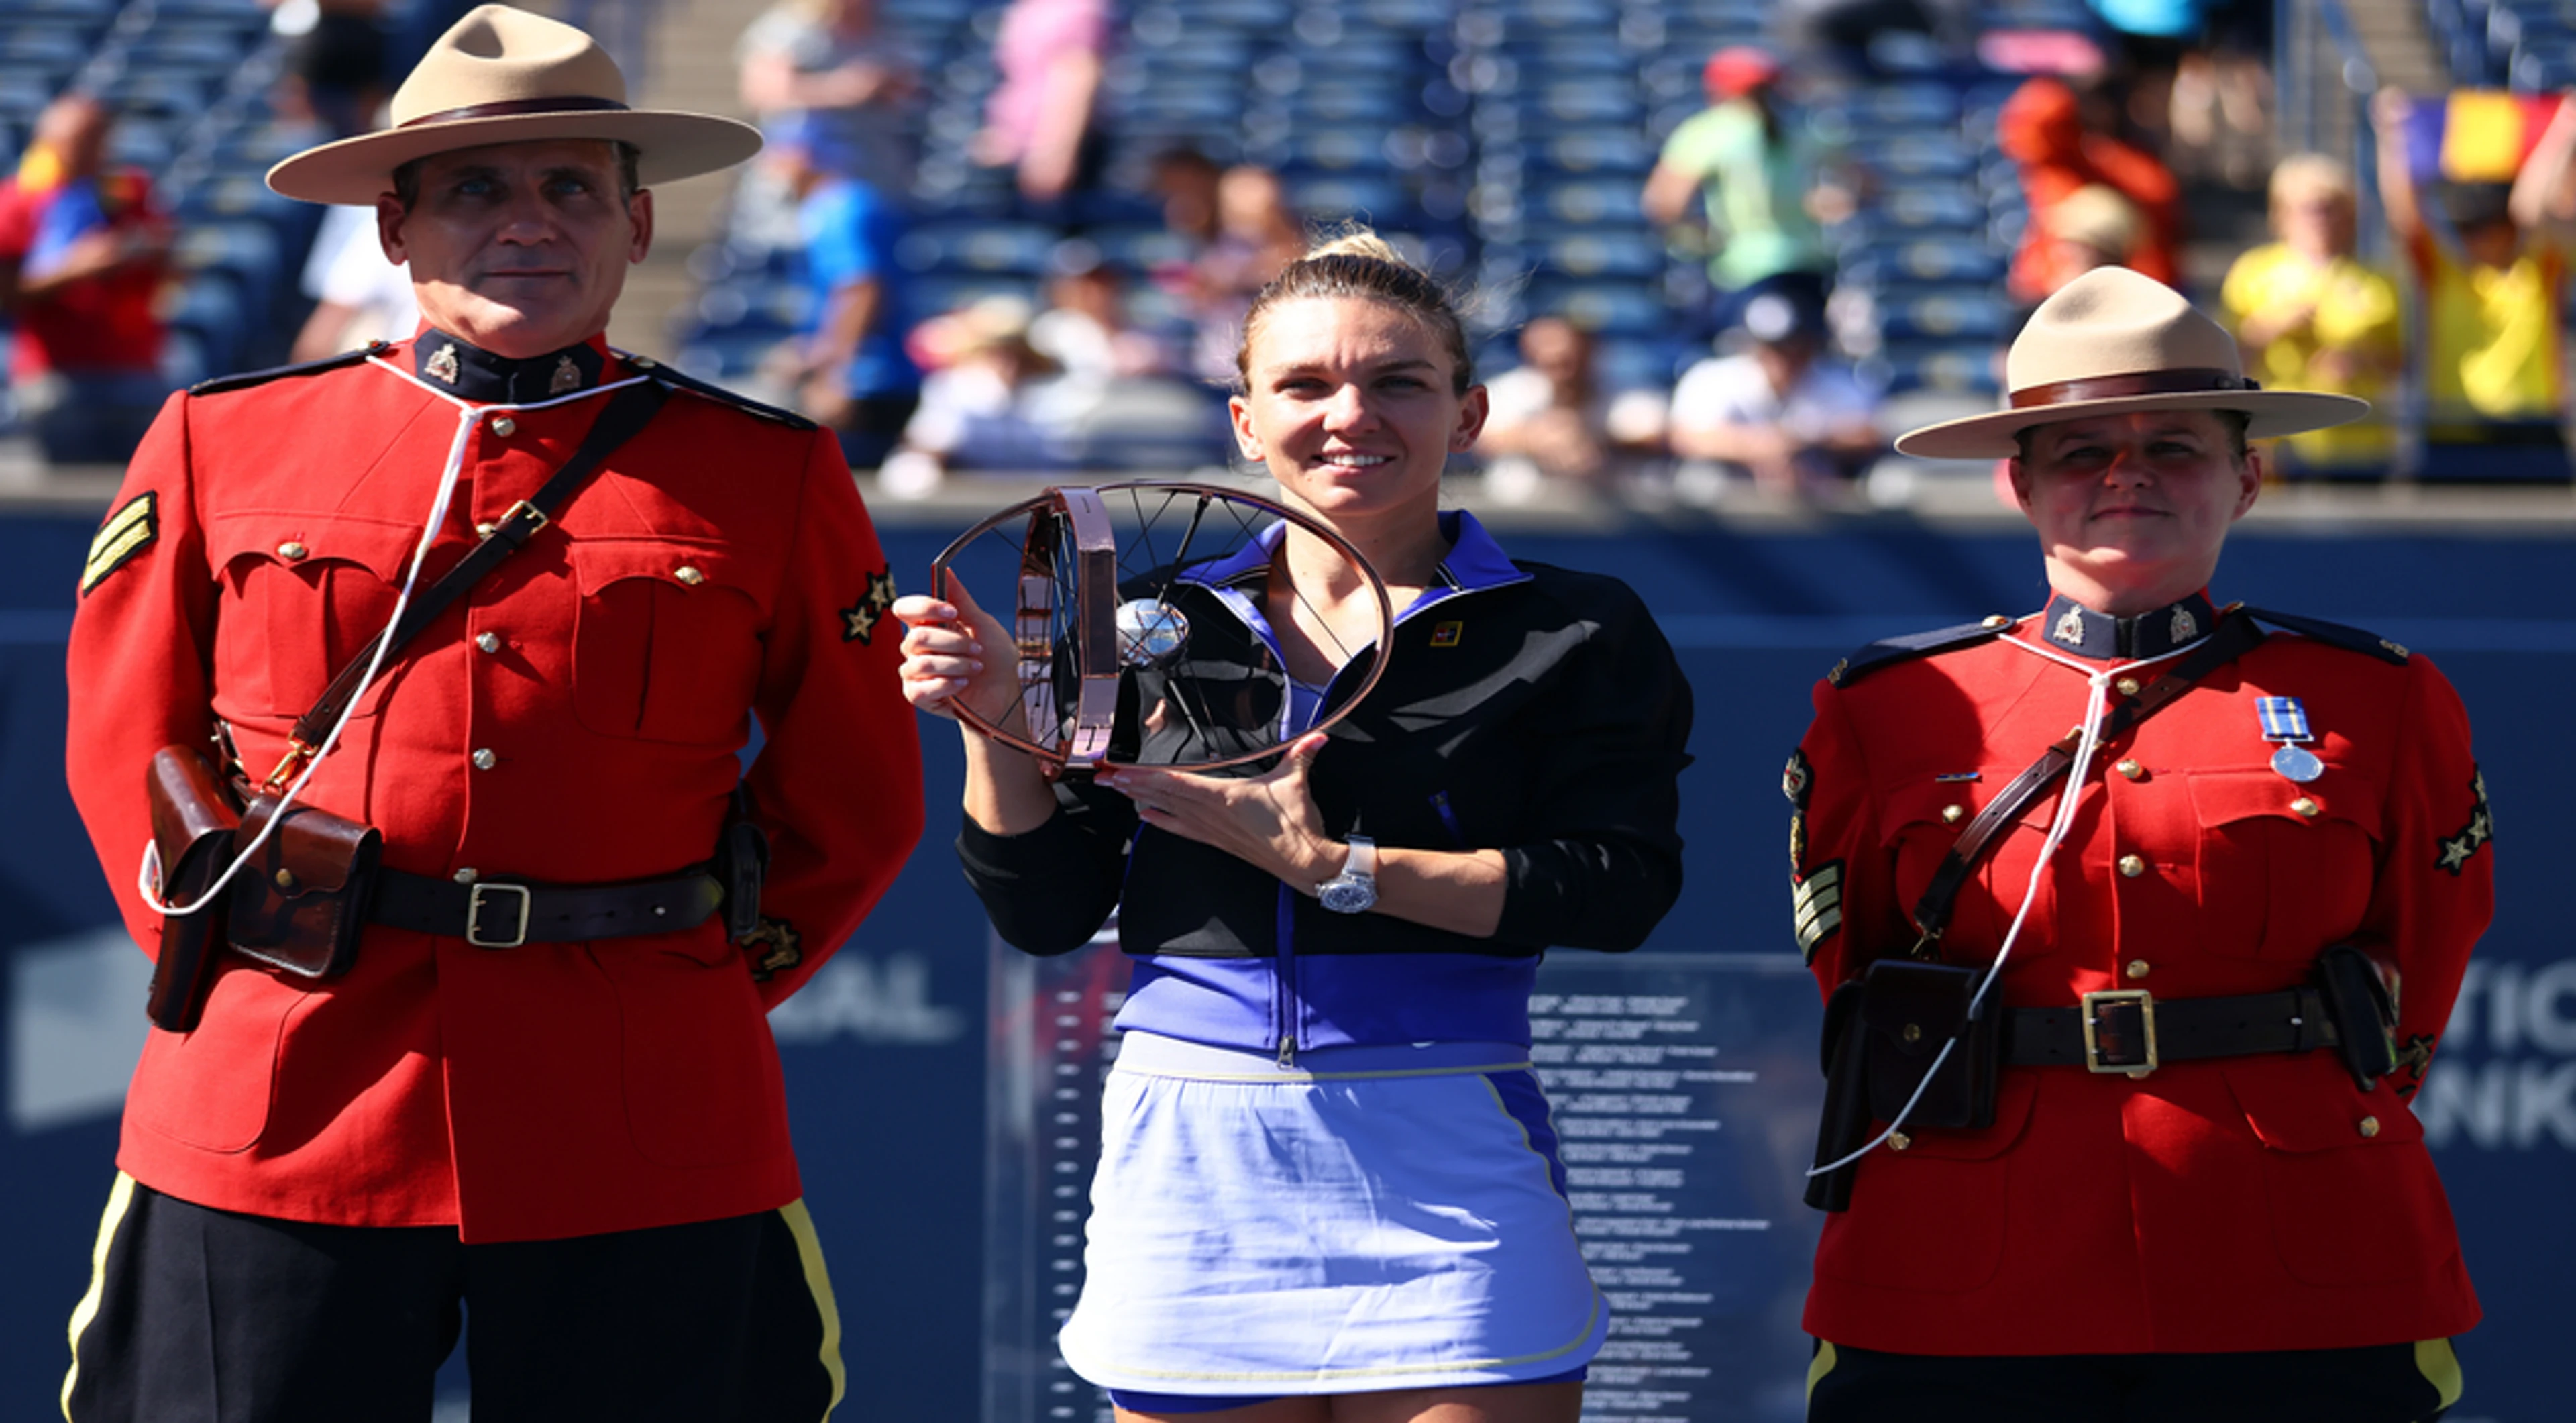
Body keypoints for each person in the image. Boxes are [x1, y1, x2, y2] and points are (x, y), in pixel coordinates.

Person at [59, 8, 924, 1419]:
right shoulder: (225, 438)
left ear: (637, 226)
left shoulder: (764, 472)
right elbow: (122, 742)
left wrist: (678, 987)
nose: (528, 220)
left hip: (636, 1107)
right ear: (395, 229)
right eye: (475, 187)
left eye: (569, 186)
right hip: (287, 1092)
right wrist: (238, 966)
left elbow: (854, 797)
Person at [892, 231, 1695, 1421]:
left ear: (1468, 413)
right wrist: (994, 721)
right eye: (1306, 385)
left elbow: (1618, 890)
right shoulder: (1146, 619)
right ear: (1244, 420)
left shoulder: (1573, 625)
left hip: (1449, 1139)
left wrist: (1334, 871)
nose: (1350, 414)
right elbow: (1046, 907)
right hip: (1194, 1158)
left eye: (1399, 383)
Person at [1790, 266, 2488, 1422]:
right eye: (2080, 451)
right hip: (1966, 1261)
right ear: (2020, 485)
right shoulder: (1887, 707)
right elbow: (1858, 976)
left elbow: (2423, 968)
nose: (2128, 475)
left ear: (2246, 478)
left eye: (2176, 446)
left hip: (2294, 1258)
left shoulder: (2380, 698)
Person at [2371, 87, 2576, 480]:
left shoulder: (2540, 269)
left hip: (2533, 428)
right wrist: (2392, 137)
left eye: (2485, 226)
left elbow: (2531, 210)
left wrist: (2563, 130)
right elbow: (2404, 214)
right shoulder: (2443, 273)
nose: (2472, 236)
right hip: (2453, 428)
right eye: (2466, 227)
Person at [0, 94, 175, 465]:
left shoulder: (130, 192)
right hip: (56, 376)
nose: (89, 150)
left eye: (98, 138)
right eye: (78, 140)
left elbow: (169, 260)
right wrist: (76, 269)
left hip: (134, 370)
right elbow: (7, 292)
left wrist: (135, 249)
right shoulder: (20, 199)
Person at [1642, 46, 1849, 331]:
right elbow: (1860, 185)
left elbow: (1665, 202)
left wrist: (1701, 239)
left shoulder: (1713, 130)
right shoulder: (1804, 127)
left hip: (1745, 268)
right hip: (1808, 264)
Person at [2220, 154, 2402, 475]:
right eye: (2310, 209)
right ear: (2283, 214)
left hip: (2356, 444)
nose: (2322, 219)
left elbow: (2401, 362)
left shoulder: (2376, 281)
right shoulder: (2253, 272)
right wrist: (2268, 328)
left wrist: (2362, 360)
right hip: (2274, 443)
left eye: (2333, 208)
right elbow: (2225, 360)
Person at [760, 116, 922, 469]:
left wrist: (833, 374)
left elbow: (860, 288)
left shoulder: (841, 208)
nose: (769, 167)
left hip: (870, 382)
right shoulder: (837, 205)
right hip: (869, 377)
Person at [1668, 289, 1882, 499]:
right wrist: (1762, 446)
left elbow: (1869, 434)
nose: (1784, 357)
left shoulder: (1837, 381)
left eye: (1795, 346)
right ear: (1751, 345)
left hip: (1817, 498)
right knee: (1700, 480)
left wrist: (1803, 443)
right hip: (1735, 497)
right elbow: (1685, 436)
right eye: (1775, 348)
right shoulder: (1714, 377)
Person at [1996, 76, 2183, 304]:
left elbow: (2159, 255)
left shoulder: (2142, 173)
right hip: (2046, 294)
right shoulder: (2064, 160)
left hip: (2122, 300)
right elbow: (2026, 130)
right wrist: (2071, 89)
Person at [1476, 314, 1670, 501]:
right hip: (1520, 520)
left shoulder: (1634, 393)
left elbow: (1660, 437)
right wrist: (1536, 440)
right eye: (1551, 362)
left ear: (1589, 350)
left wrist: (1594, 441)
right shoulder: (1504, 392)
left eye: (1568, 361)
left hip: (1619, 521)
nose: (1562, 372)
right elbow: (1480, 439)